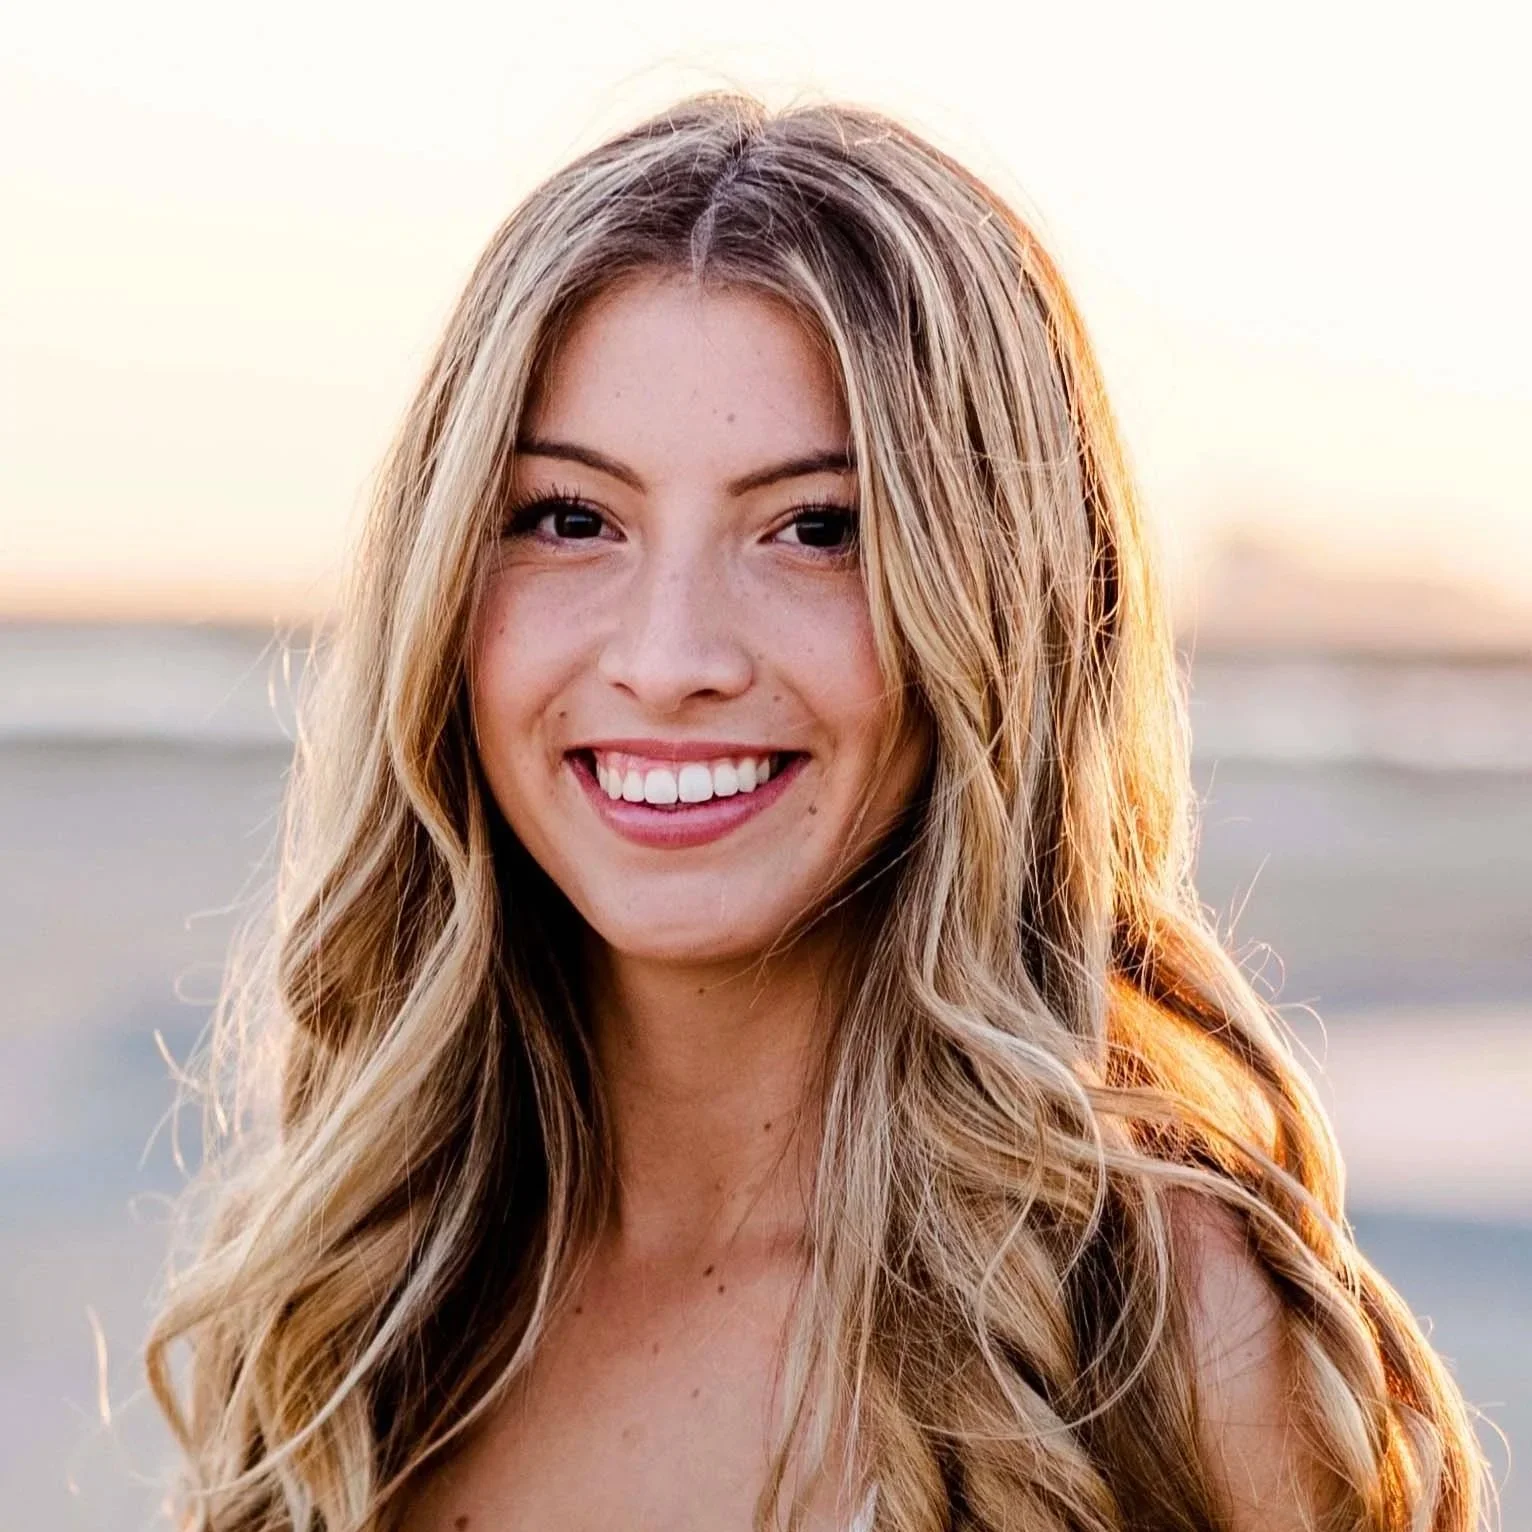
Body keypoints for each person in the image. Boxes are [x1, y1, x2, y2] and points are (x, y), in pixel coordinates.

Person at [144, 92, 1488, 1532]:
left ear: (1000, 611)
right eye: (569, 518)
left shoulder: (1161, 1346)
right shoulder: (357, 1289)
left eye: (818, 531)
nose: (669, 660)